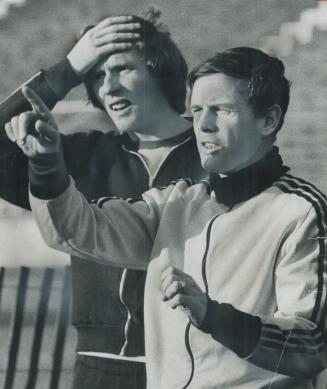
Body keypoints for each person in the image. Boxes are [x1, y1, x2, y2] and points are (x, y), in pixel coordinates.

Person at [7, 47, 327, 388]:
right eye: (198, 109)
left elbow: (311, 347)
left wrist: (212, 315)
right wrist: (45, 164)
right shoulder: (176, 201)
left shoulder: (303, 210)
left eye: (222, 109)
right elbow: (78, 231)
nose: (203, 125)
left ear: (269, 120)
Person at [0, 10, 206, 389]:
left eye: (122, 68)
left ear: (158, 69)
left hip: (193, 367)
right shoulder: (80, 157)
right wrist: (68, 69)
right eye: (94, 76)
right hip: (97, 370)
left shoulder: (217, 156)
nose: (107, 87)